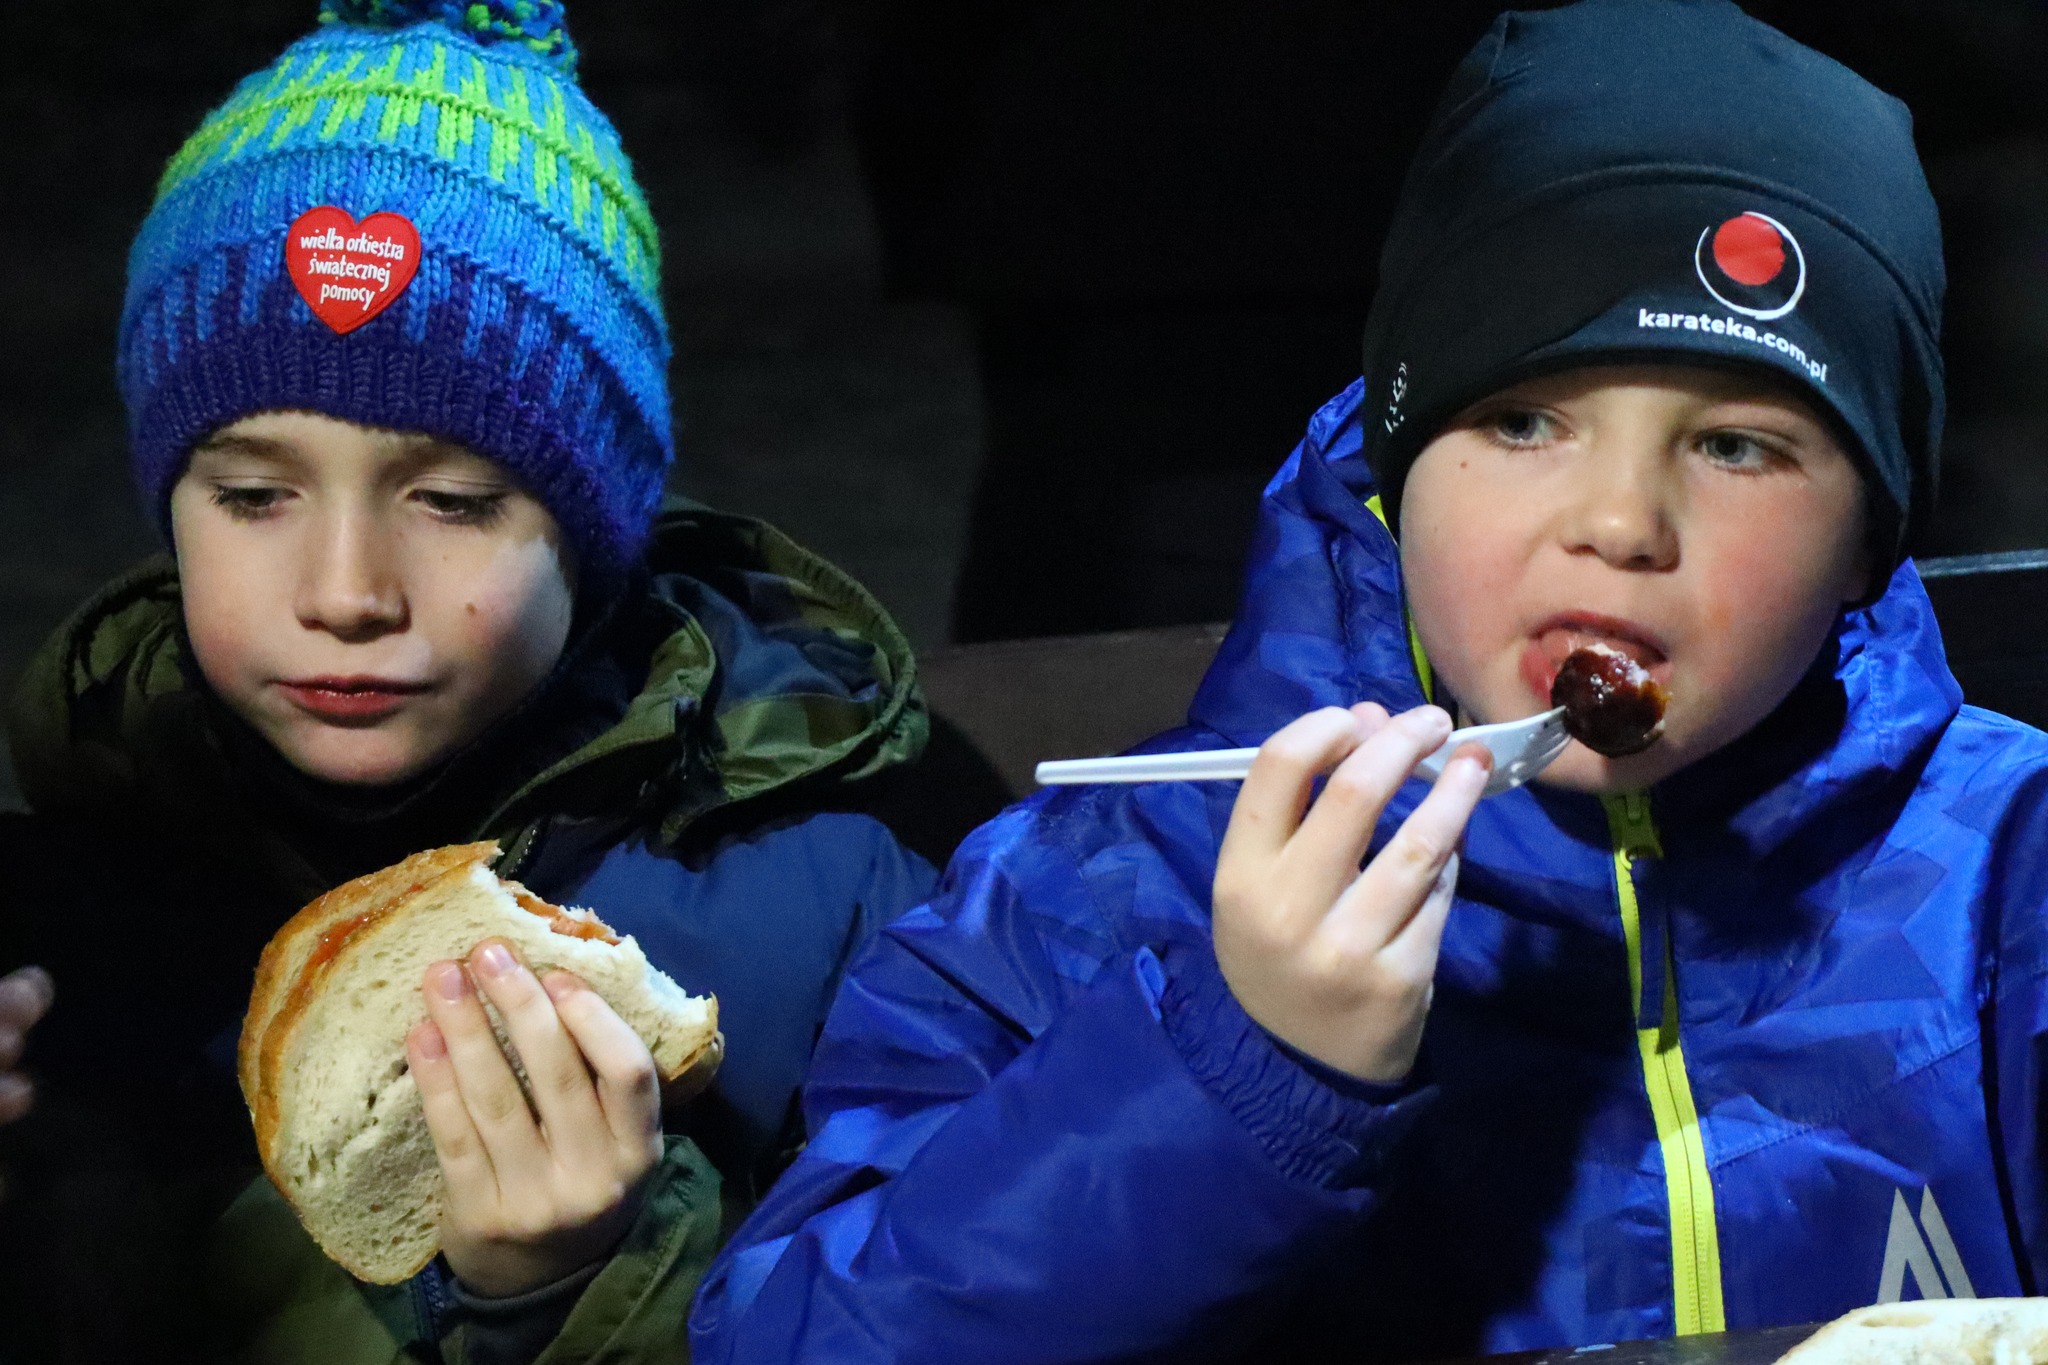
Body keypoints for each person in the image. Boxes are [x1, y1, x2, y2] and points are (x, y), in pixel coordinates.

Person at [688, 1, 2048, 1360]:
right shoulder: (1101, 891)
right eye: (1524, 419)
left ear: (1873, 533)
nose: (1623, 521)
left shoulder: (2004, 878)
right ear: (1398, 471)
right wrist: (1244, 1069)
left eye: (1740, 445)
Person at [0, 1, 937, 1361]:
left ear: (593, 532)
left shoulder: (837, 928)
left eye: (450, 498)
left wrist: (572, 1291)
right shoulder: (53, 933)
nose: (345, 591)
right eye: (254, 493)